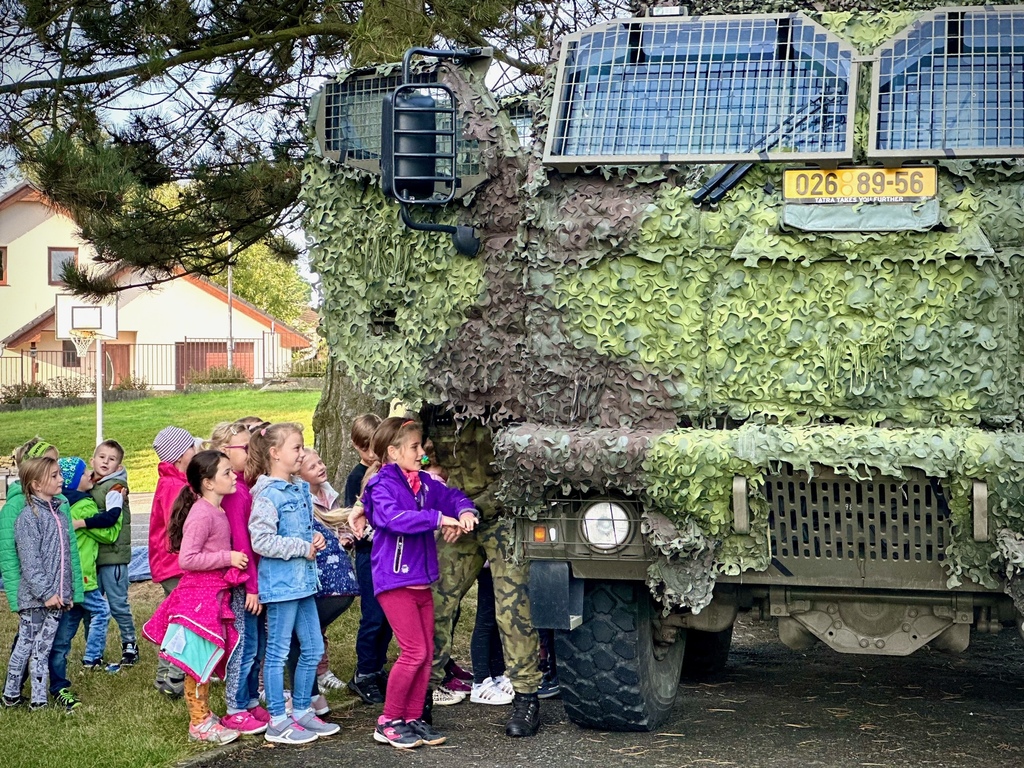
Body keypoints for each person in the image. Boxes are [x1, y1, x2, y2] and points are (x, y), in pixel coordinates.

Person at [360, 416, 478, 749]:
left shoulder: (423, 482)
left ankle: (413, 718)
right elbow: (393, 519)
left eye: (422, 445)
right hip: (394, 582)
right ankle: (389, 720)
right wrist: (439, 519)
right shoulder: (380, 485)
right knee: (413, 652)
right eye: (415, 447)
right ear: (393, 452)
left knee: (426, 654)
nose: (422, 451)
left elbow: (453, 497)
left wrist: (466, 512)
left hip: (422, 583)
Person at [425, 416, 543, 737]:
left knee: (512, 607)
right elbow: (418, 453)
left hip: (503, 514)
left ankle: (526, 697)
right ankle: (421, 697)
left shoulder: (504, 405)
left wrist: (474, 508)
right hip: (457, 513)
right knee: (435, 600)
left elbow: (522, 470)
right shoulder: (435, 407)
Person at [142, 450, 247, 744]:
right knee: (197, 661)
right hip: (198, 598)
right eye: (226, 472)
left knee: (206, 660)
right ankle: (198, 723)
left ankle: (204, 715)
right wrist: (228, 556)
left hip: (212, 594)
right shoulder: (202, 513)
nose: (233, 476)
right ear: (208, 483)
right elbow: (187, 559)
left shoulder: (216, 510)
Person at [248, 422, 339, 745]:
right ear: (275, 454)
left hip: (304, 582)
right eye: (296, 448)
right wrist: (302, 547)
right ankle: (277, 718)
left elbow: (299, 531)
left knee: (313, 647)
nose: (302, 453)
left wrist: (312, 537)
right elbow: (261, 540)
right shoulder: (267, 495)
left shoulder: (299, 489)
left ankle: (301, 710)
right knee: (278, 651)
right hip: (282, 585)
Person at [0, 439, 84, 711]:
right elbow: (29, 562)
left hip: (57, 598)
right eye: (55, 475)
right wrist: (46, 593)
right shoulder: (27, 516)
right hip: (37, 599)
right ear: (36, 484)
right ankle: (11, 694)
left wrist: (67, 592)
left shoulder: (59, 514)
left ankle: (38, 699)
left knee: (43, 649)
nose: (62, 479)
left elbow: (66, 557)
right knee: (25, 646)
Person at [207, 421, 269, 735]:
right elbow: (242, 543)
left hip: (251, 580)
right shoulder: (232, 492)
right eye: (243, 448)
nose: (249, 452)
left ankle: (248, 700)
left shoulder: (243, 485)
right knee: (243, 645)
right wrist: (253, 587)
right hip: (242, 584)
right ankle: (235, 707)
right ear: (222, 453)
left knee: (255, 644)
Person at [291, 447, 360, 711]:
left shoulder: (326, 493)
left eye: (321, 461)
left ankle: (311, 691)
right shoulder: (298, 497)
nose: (320, 467)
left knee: (309, 634)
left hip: (333, 580)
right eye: (312, 465)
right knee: (302, 636)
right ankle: (302, 695)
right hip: (320, 579)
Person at [345, 413, 392, 705]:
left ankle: (377, 667)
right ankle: (363, 673)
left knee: (388, 617)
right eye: (366, 447)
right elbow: (355, 518)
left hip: (388, 557)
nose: (371, 453)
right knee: (373, 617)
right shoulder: (356, 477)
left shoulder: (387, 472)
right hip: (368, 557)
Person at [60, 457, 122, 671]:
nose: (89, 474)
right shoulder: (84, 505)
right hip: (83, 572)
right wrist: (117, 507)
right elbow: (108, 534)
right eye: (84, 472)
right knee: (101, 611)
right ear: (75, 480)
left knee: (73, 615)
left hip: (66, 572)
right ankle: (92, 658)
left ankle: (58, 657)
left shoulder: (62, 503)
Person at [149, 426, 197, 697]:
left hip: (173, 564)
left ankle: (165, 676)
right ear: (180, 455)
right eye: (191, 447)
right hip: (175, 564)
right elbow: (180, 525)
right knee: (185, 620)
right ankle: (176, 677)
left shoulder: (175, 481)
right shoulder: (174, 486)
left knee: (178, 620)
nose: (196, 450)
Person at [90, 439, 139, 669]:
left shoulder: (116, 487)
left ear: (119, 466)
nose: (105, 462)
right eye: (101, 457)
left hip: (114, 557)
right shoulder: (91, 485)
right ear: (93, 459)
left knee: (118, 603)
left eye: (111, 459)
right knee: (93, 606)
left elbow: (110, 516)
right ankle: (94, 649)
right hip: (94, 556)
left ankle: (130, 643)